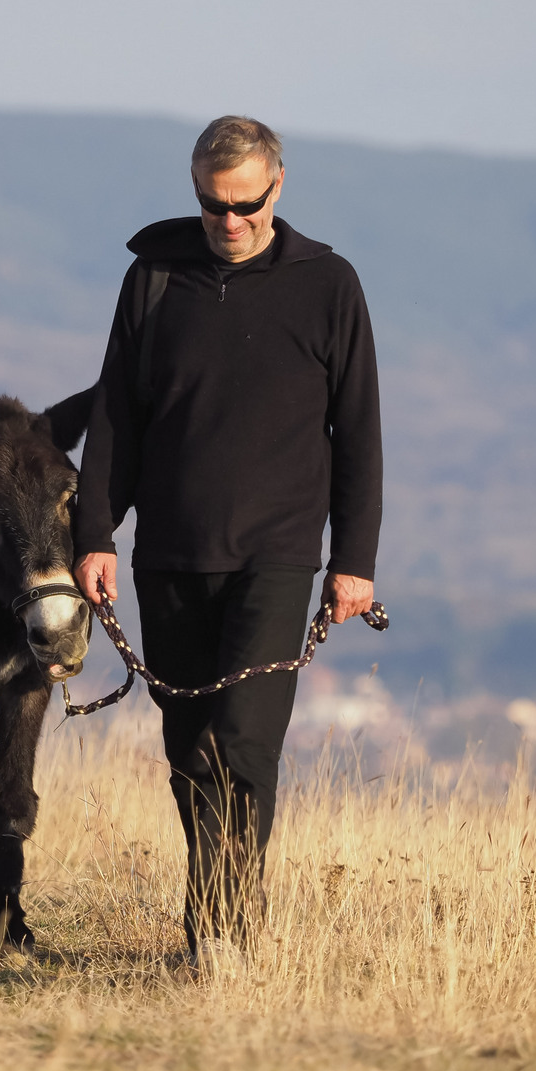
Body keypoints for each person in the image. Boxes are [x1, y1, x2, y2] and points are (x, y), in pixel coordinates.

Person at [73, 115, 382, 965]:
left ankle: (221, 936)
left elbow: (357, 430)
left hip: (277, 560)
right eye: (214, 205)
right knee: (188, 751)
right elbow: (115, 420)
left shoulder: (328, 284)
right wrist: (94, 533)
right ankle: (216, 924)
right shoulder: (154, 279)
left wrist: (354, 560)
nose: (230, 220)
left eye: (246, 203)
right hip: (169, 553)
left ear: (278, 187)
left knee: (241, 743)